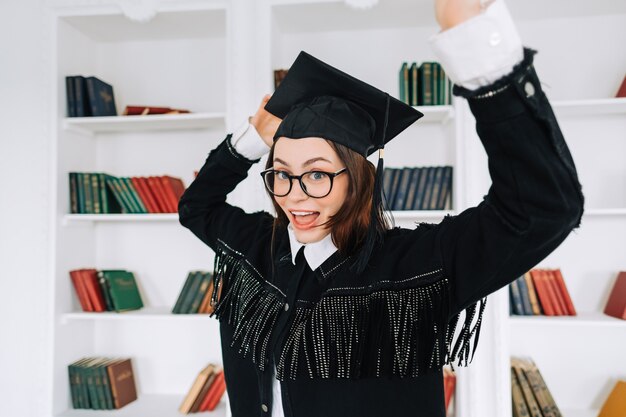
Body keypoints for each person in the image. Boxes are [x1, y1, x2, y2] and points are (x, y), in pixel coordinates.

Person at [178, 0, 585, 416]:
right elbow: (196, 207)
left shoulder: (416, 267)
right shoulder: (256, 249)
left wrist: (483, 57)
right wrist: (251, 139)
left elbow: (542, 208)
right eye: (281, 172)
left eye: (317, 174)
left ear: (359, 182)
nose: (293, 195)